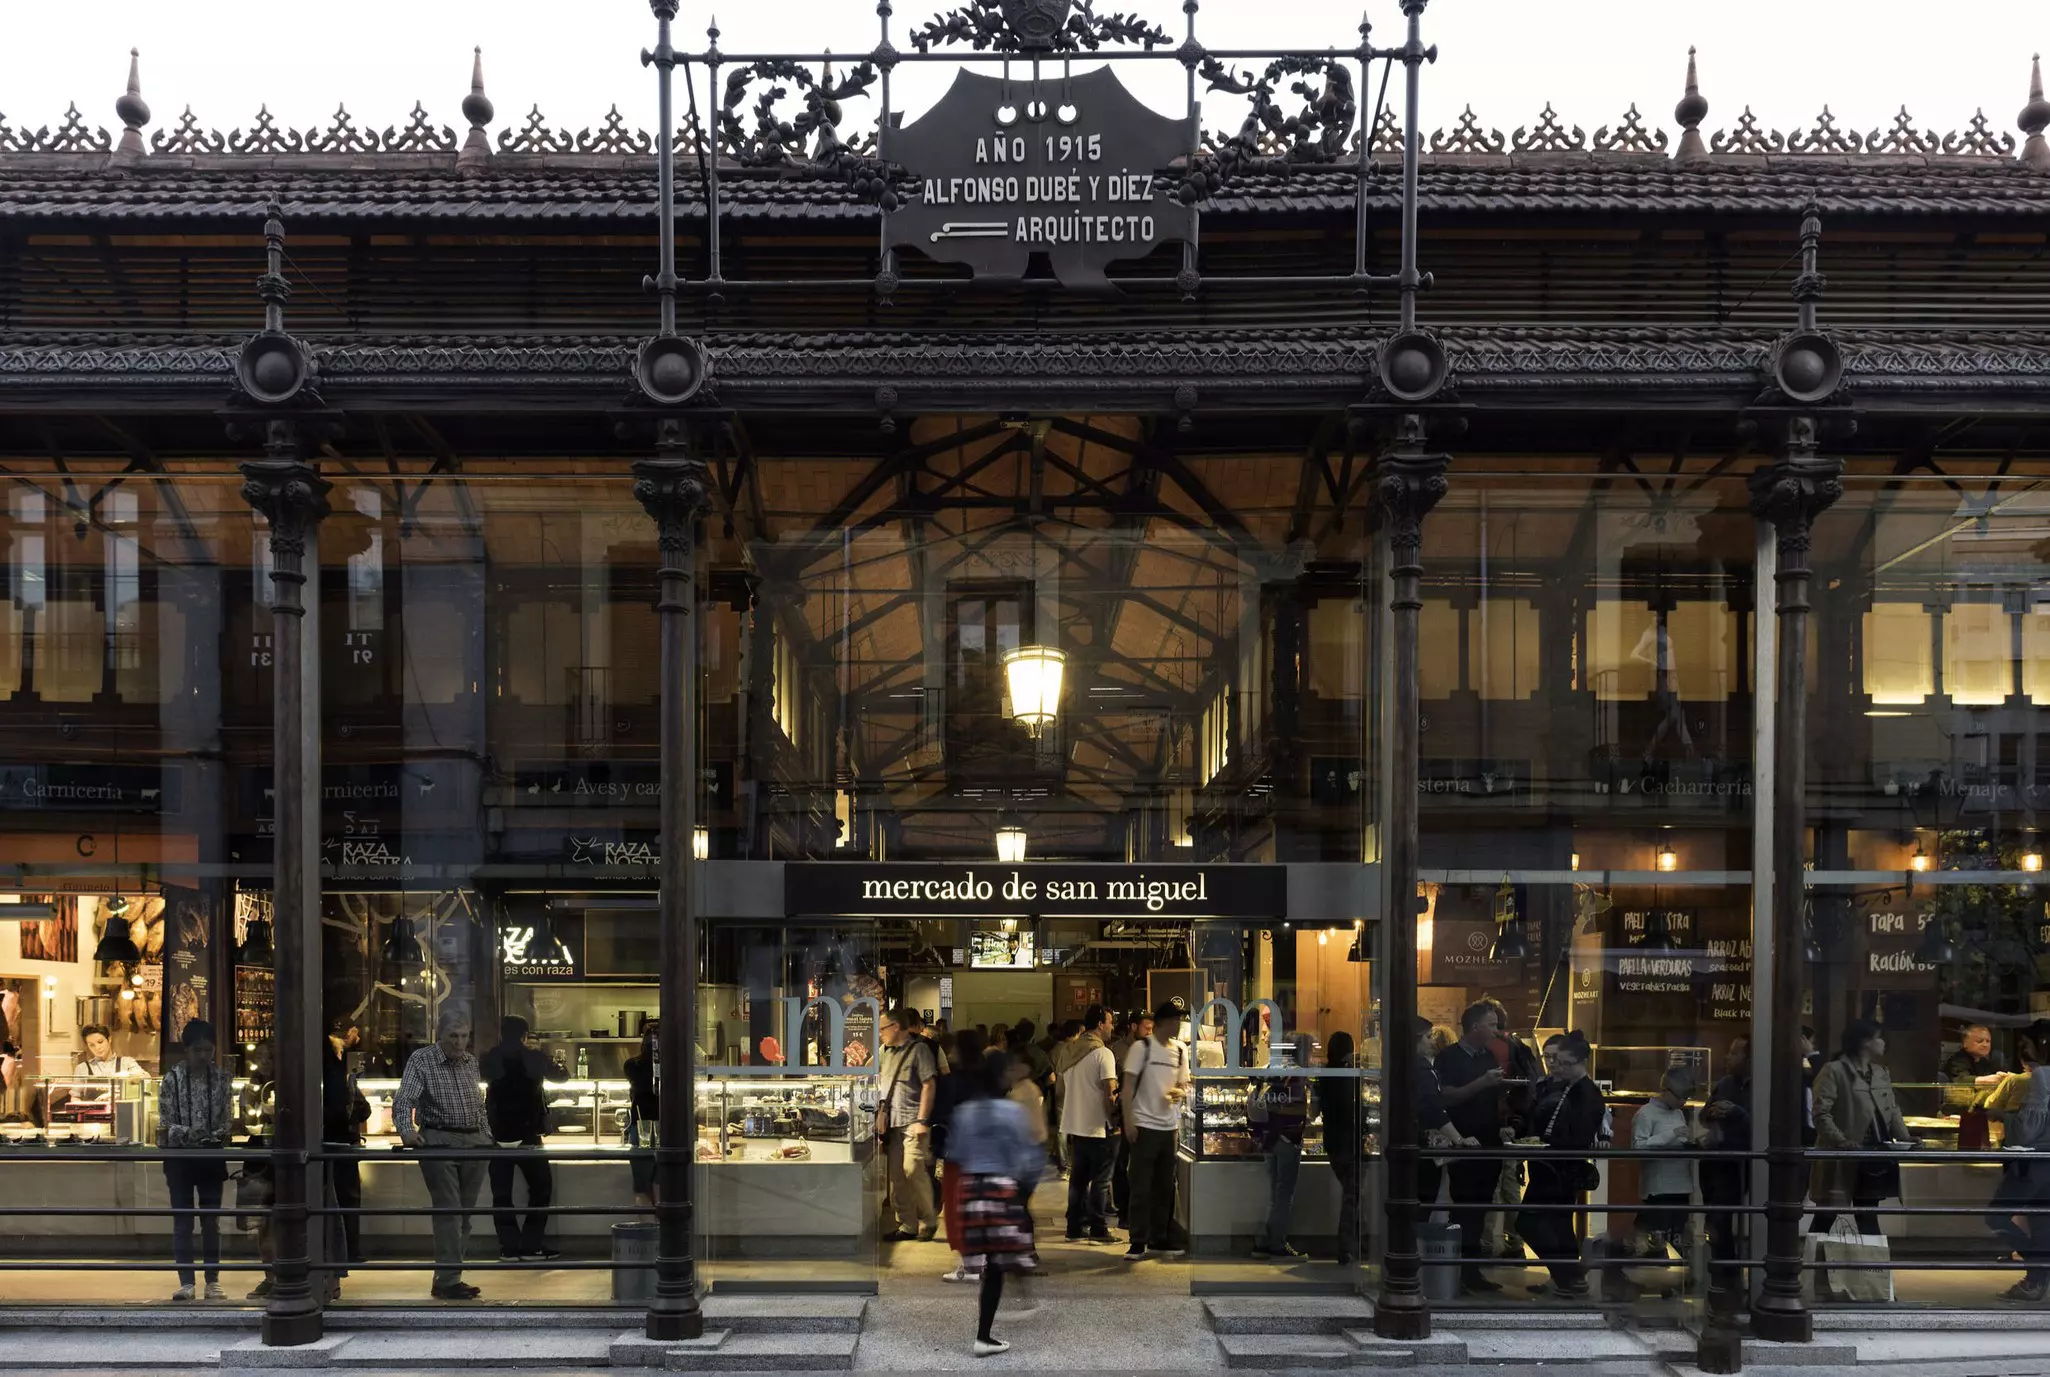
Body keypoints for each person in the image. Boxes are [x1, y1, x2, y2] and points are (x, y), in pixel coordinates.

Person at [946, 1048, 1044, 1358]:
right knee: (1000, 1264)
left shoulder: (965, 1112)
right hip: (1001, 1189)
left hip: (971, 1191)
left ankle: (986, 1334)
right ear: (1003, 1077)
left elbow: (957, 1152)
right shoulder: (1013, 1112)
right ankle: (986, 1332)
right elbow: (1027, 1157)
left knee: (988, 1260)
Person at [392, 1009, 491, 1300]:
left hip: (473, 1139)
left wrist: (487, 1136)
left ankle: (451, 1275)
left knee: (465, 1213)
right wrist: (406, 1130)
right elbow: (404, 1098)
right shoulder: (422, 1060)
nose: (459, 1043)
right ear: (440, 1035)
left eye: (464, 1036)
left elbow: (478, 1104)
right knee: (449, 1212)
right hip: (438, 1136)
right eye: (453, 1036)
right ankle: (447, 1280)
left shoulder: (470, 1062)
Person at [1517, 1030, 1604, 1299]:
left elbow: (1578, 1135)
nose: (1560, 1068)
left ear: (1582, 1062)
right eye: (1557, 1061)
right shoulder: (1568, 1088)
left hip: (1560, 1168)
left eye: (1567, 1063)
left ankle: (1568, 1275)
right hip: (1554, 1166)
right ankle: (1567, 1278)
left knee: (1530, 1223)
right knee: (1560, 1226)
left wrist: (1546, 1143)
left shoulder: (1585, 1093)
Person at [1435, 1002, 1514, 1293]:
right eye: (1492, 1024)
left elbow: (1492, 1099)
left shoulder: (1488, 1055)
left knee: (1481, 1208)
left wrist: (1504, 1122)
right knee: (1465, 1208)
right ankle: (1460, 1273)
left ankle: (1472, 1271)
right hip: (1463, 1143)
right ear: (1475, 1027)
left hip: (1489, 1143)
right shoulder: (1449, 1058)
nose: (1497, 1030)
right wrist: (1481, 1083)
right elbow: (1444, 1098)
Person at [1810, 1019, 1912, 1242]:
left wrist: (1906, 1138)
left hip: (1871, 1154)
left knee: (1867, 1215)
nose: (1883, 1042)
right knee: (1826, 1214)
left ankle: (1872, 1271)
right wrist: (1840, 1140)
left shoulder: (1880, 1072)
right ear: (1865, 1042)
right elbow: (1820, 1112)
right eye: (1879, 1037)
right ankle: (1809, 1267)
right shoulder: (1834, 1070)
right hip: (1841, 1156)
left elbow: (1892, 1109)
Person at [481, 1015, 569, 1264]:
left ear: (501, 1033)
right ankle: (531, 1246)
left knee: (501, 1193)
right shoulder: (535, 1057)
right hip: (528, 1133)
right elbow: (563, 1077)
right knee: (541, 1188)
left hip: (497, 1132)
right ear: (524, 1035)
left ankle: (508, 1248)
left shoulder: (489, 1058)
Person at [159, 1018, 232, 1301]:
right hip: (180, 1159)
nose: (204, 1056)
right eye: (198, 1050)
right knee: (183, 1221)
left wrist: (214, 1134)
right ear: (186, 1050)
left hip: (211, 1157)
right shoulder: (171, 1080)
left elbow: (227, 1121)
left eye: (208, 1050)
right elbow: (166, 1124)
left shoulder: (222, 1079)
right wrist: (200, 1134)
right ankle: (186, 1280)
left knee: (211, 1221)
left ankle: (212, 1280)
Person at [1121, 996, 1192, 1262]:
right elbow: (1128, 1087)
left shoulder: (1181, 1050)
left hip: (1169, 1127)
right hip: (1144, 1124)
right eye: (1175, 1020)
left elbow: (1184, 1085)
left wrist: (1179, 1092)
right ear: (1162, 1022)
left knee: (1164, 1186)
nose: (1178, 1024)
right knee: (1140, 1184)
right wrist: (1129, 1122)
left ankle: (1159, 1238)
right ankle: (1137, 1241)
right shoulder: (1143, 1048)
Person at [877, 1006, 939, 1242]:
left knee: (912, 1168)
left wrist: (923, 1119)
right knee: (896, 1178)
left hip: (913, 1121)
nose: (880, 1033)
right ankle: (907, 1225)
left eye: (883, 1028)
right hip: (892, 1123)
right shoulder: (884, 1052)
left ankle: (929, 1219)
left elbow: (929, 1084)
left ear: (896, 1027)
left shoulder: (919, 1050)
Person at [1701, 1036, 1754, 1309]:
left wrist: (1737, 1113)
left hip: (1749, 1163)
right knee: (1717, 1217)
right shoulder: (1725, 1083)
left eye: (1734, 1053)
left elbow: (1765, 1124)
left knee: (1744, 1218)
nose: (1727, 1058)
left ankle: (1741, 1275)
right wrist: (1713, 1111)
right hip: (1719, 1161)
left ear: (1749, 1059)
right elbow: (1703, 1115)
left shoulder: (1765, 1085)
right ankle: (1724, 1274)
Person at [1059, 1005, 1119, 1244]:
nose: (1112, 1027)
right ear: (1100, 1024)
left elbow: (1061, 1088)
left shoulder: (1070, 1051)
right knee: (1102, 1180)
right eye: (1110, 1022)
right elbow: (1110, 1092)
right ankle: (1098, 1228)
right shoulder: (1103, 1054)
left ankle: (1074, 1228)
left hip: (1075, 1124)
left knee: (1078, 1181)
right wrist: (1114, 1119)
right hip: (1099, 1125)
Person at [1252, 1032, 1312, 1261]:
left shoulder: (1270, 1067)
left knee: (1273, 1195)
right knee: (1284, 1195)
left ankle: (1264, 1243)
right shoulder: (1295, 1073)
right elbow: (1294, 1109)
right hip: (1287, 1139)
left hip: (1269, 1139)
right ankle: (1276, 1244)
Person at [936, 1029, 990, 1283]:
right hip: (987, 1151)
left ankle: (971, 1266)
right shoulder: (989, 1076)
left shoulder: (953, 1080)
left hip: (959, 1152)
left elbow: (942, 1112)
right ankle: (981, 1260)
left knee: (959, 1206)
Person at [1632, 1066, 1704, 1250]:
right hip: (1658, 1187)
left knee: (1679, 1234)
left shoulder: (1678, 1113)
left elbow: (1677, 1139)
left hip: (1681, 1184)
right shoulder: (1645, 1114)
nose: (1683, 1102)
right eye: (1680, 1097)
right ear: (1666, 1090)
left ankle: (1684, 1272)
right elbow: (1637, 1147)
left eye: (1686, 1098)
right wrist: (1670, 1135)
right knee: (1655, 1233)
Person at [1995, 1064, 2050, 1301]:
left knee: (1996, 1215)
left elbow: (2027, 1129)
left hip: (2038, 1160)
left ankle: (2038, 1273)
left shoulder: (2042, 1075)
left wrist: (2004, 1117)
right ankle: (2035, 1279)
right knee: (2041, 1220)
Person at [323, 1016, 371, 1267]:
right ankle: (349, 1250)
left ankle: (341, 1250)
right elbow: (361, 1110)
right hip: (342, 1143)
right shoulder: (339, 1074)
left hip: (334, 1142)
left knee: (336, 1199)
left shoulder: (338, 1074)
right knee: (348, 1198)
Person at [623, 1020, 660, 1208]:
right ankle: (664, 1230)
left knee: (641, 1187)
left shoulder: (632, 1066)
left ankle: (649, 1232)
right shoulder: (676, 1067)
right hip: (666, 1129)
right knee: (661, 1184)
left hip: (641, 1127)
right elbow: (704, 1072)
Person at [74, 1023, 143, 1076]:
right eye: (92, 1045)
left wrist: (125, 1075)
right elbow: (75, 1094)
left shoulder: (127, 1063)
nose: (97, 1047)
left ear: (109, 1039)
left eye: (100, 1042)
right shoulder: (82, 1068)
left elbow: (145, 1078)